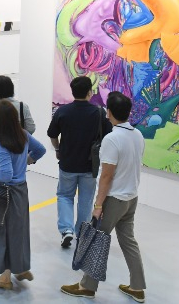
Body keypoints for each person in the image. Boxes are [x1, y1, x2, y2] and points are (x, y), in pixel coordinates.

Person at [61, 92, 146, 303]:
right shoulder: (137, 134)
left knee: (96, 241)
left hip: (114, 200)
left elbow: (107, 176)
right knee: (129, 242)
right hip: (131, 198)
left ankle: (87, 286)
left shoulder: (112, 138)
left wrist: (98, 205)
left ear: (109, 112)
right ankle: (137, 287)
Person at [0, 100, 46, 290]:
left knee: (2, 231)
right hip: (21, 191)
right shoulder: (24, 135)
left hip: (5, 193)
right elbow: (41, 150)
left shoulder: (2, 144)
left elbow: (6, 174)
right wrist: (27, 160)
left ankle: (5, 277)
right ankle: (20, 267)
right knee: (19, 230)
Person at [48, 76, 112, 247]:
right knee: (85, 199)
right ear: (90, 92)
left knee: (64, 196)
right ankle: (82, 233)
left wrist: (57, 149)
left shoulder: (63, 112)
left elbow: (52, 134)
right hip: (89, 166)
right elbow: (108, 137)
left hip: (67, 163)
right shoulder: (99, 113)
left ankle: (66, 230)